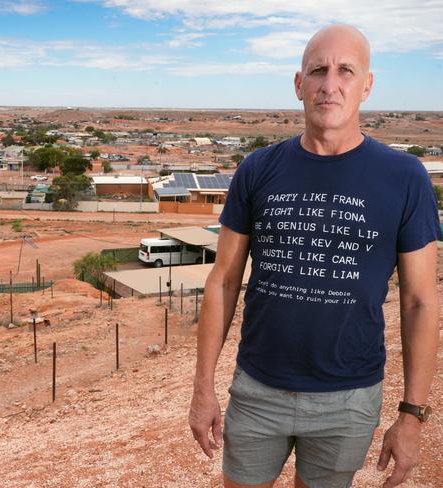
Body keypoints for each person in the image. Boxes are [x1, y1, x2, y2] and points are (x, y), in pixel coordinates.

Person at [189, 24, 440, 488]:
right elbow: (223, 280)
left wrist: (411, 416)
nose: (330, 83)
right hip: (257, 390)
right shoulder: (258, 169)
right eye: (318, 70)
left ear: (366, 84)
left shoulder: (405, 177)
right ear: (298, 83)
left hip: (348, 400)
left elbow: (420, 301)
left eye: (345, 70)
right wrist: (203, 387)